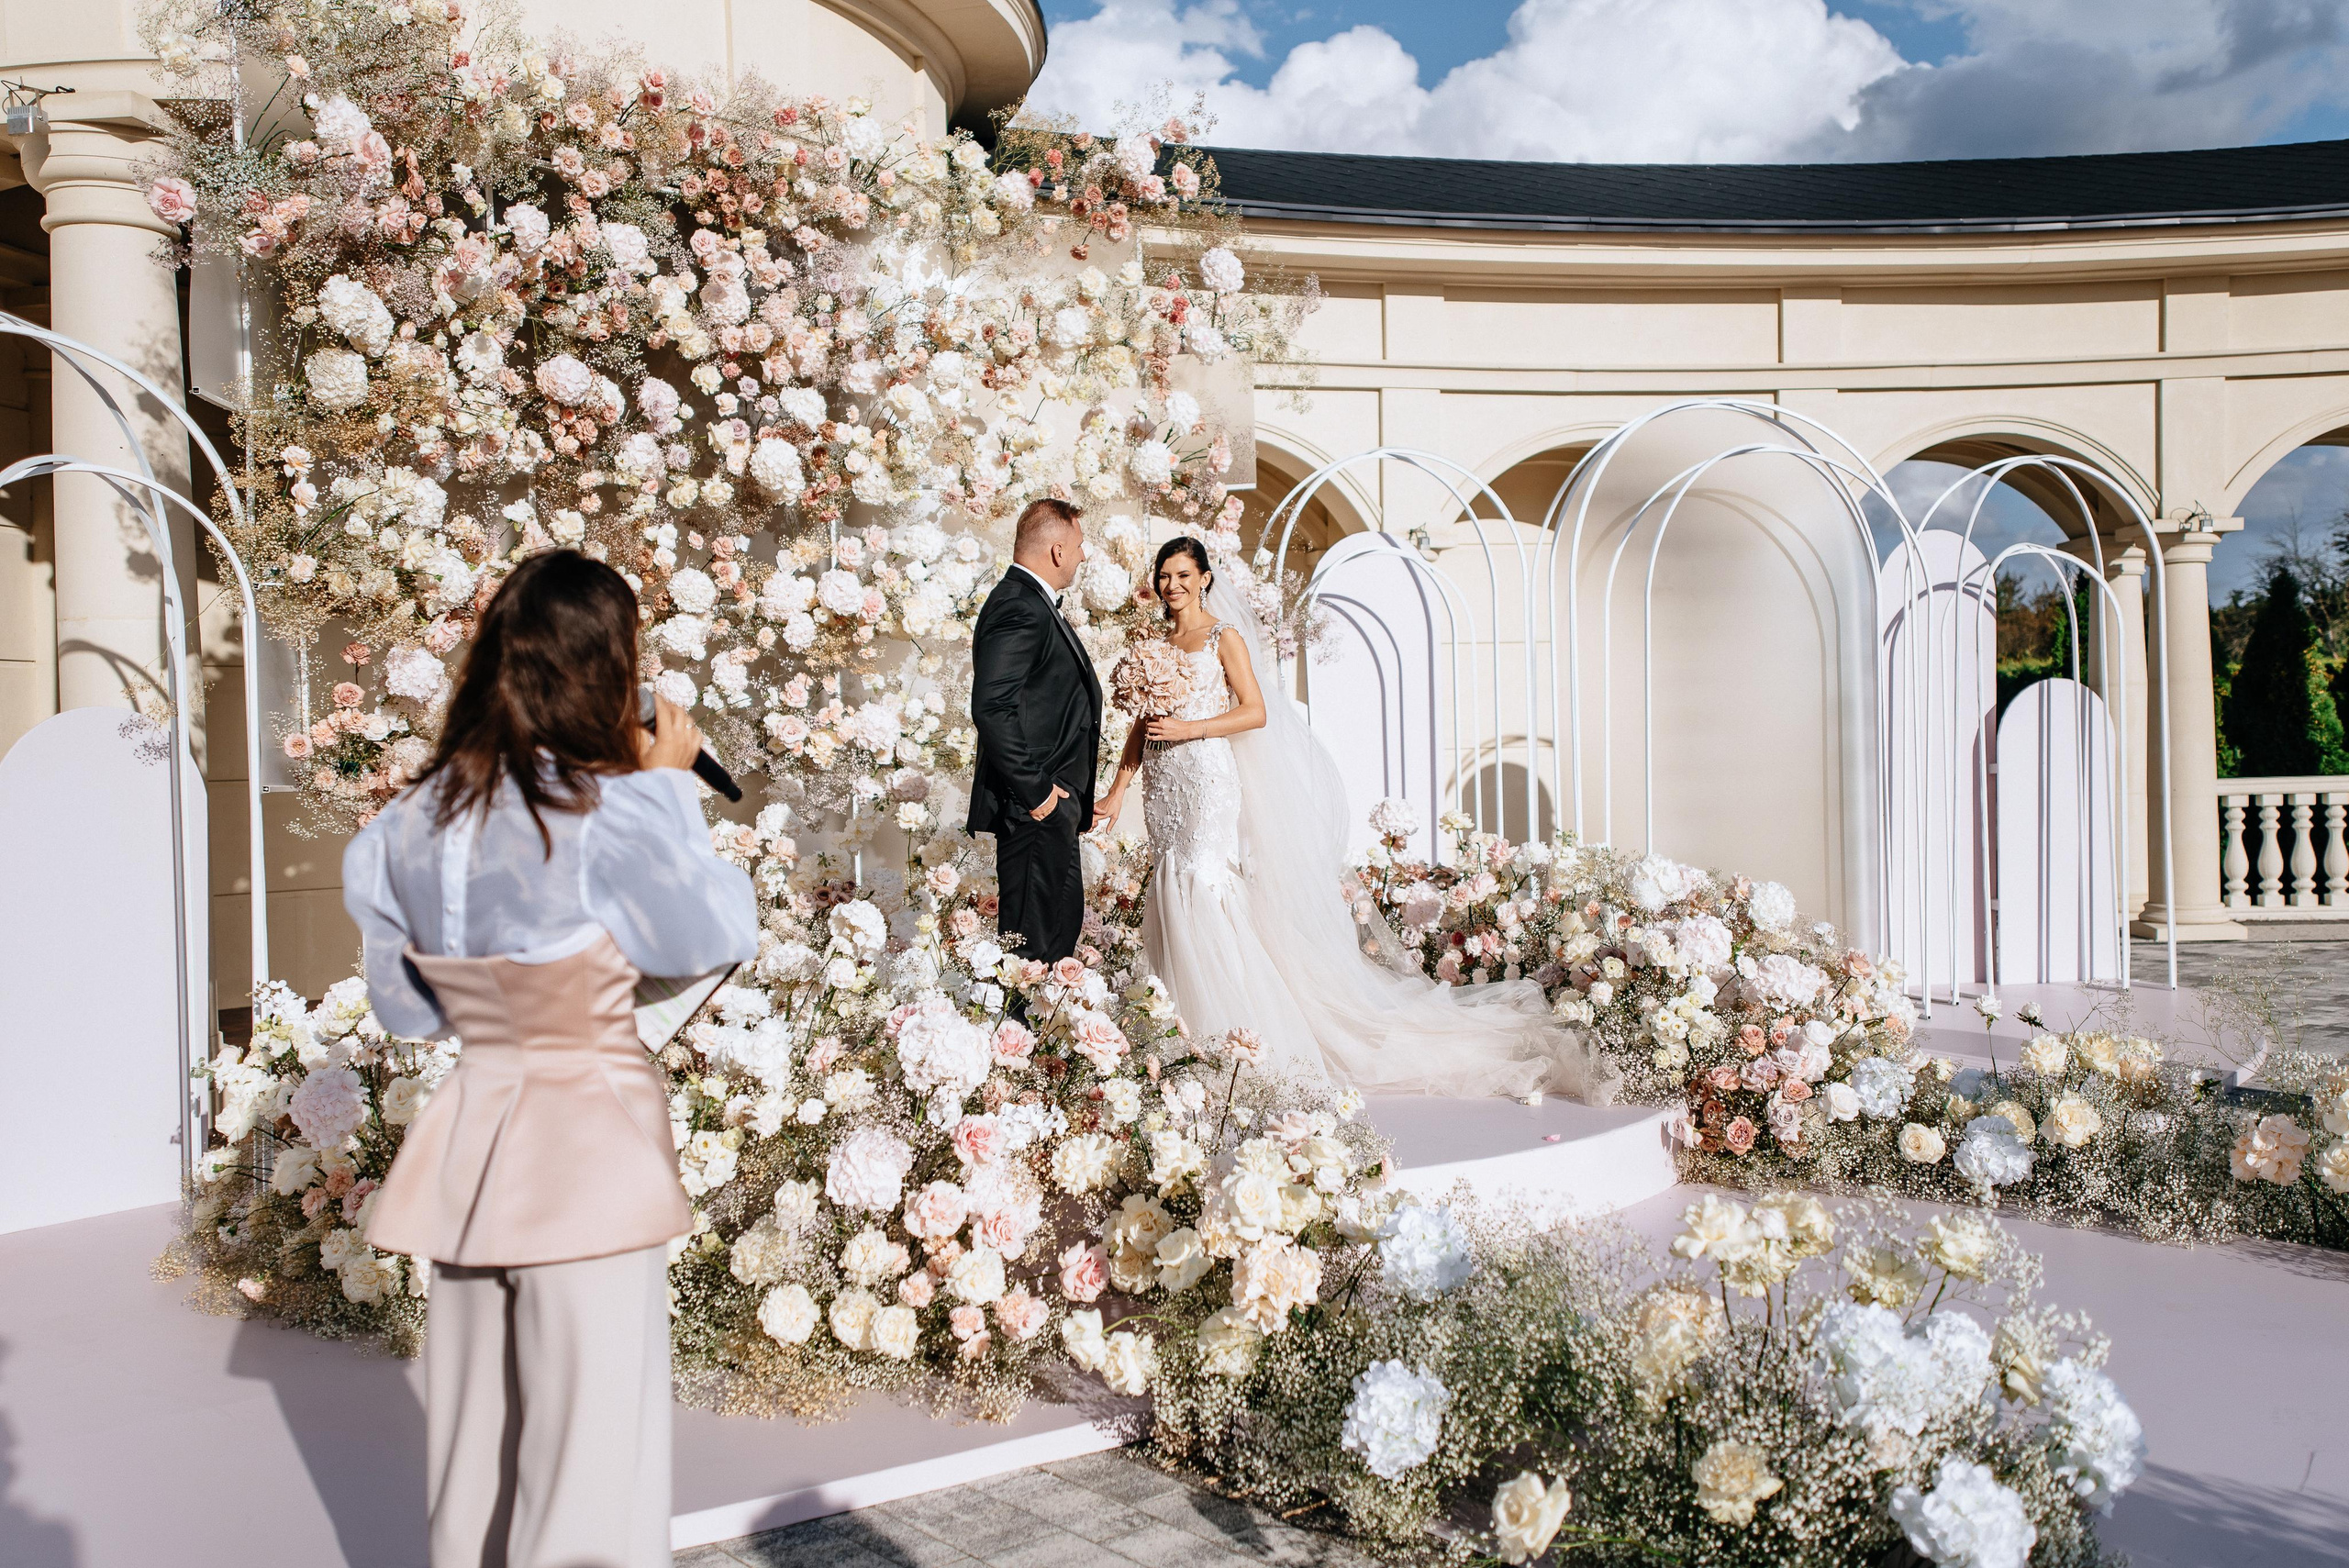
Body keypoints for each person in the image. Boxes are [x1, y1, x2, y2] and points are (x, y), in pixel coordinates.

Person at [342, 549, 758, 1568]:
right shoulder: (610, 818)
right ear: (608, 671)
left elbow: (405, 1009)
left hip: (475, 1148)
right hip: (588, 1156)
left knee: (475, 1467)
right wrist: (664, 791)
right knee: (590, 1482)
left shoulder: (407, 825)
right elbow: (708, 933)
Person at [1096, 537, 1618, 1103]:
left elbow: (1256, 712)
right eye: (1164, 576)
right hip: (1162, 785)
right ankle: (1184, 1027)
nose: (1172, 586)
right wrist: (1117, 791)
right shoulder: (1154, 643)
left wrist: (1191, 729)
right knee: (1171, 882)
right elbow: (1142, 725)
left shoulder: (1225, 637)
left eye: (1182, 575)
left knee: (1204, 884)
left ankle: (1233, 1032)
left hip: (1206, 778)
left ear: (1202, 578)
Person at [966, 496, 1104, 965]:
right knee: (1028, 958)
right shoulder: (1019, 606)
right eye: (1080, 545)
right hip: (1034, 812)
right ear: (1058, 551)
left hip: (1051, 812)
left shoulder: (1032, 603)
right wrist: (1039, 793)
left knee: (1052, 951)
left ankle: (1039, 1039)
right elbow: (991, 706)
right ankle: (1018, 1038)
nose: (1083, 556)